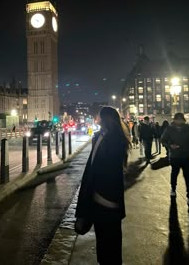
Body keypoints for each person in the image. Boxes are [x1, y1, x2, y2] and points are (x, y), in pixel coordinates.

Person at [75, 106, 131, 265]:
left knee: (111, 243)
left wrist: (99, 193)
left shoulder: (115, 139)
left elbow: (110, 169)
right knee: (102, 242)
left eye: (99, 115)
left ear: (106, 119)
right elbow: (92, 165)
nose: (96, 117)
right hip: (97, 197)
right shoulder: (100, 136)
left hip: (108, 198)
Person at [161, 112, 189, 206]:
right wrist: (170, 146)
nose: (179, 121)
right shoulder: (169, 129)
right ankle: (173, 189)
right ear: (174, 120)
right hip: (175, 156)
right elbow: (163, 140)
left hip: (186, 156)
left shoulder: (186, 128)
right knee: (174, 174)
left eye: (181, 119)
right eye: (178, 119)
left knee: (188, 177)